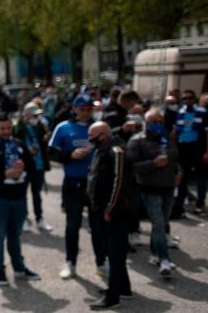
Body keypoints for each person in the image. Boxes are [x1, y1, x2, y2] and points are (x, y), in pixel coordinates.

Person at [0, 113, 42, 286]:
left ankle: (19, 268)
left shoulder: (19, 144)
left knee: (16, 235)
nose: (6, 131)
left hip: (19, 198)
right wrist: (4, 174)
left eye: (9, 128)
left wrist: (23, 169)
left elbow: (33, 167)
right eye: (2, 128)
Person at [49, 94, 106, 280]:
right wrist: (70, 155)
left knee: (97, 227)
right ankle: (70, 263)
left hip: (96, 184)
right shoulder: (63, 127)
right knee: (72, 226)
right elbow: (51, 152)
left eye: (89, 109)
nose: (85, 112)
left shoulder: (99, 127)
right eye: (82, 109)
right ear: (74, 109)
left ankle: (101, 263)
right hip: (73, 184)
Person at [86, 122, 133, 310]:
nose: (91, 141)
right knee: (114, 253)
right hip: (102, 210)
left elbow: (119, 183)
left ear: (104, 135)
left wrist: (110, 209)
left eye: (94, 137)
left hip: (114, 213)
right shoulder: (102, 149)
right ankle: (124, 288)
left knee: (115, 254)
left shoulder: (117, 152)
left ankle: (112, 297)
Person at [126, 109, 178, 275]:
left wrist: (179, 171)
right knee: (159, 223)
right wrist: (153, 164)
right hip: (149, 188)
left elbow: (175, 159)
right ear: (146, 123)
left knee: (161, 224)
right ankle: (164, 259)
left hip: (168, 187)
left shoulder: (168, 138)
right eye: (153, 122)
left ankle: (155, 254)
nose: (157, 125)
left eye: (160, 121)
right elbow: (131, 167)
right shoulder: (137, 140)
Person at [13, 102, 53, 232]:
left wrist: (45, 139)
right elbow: (15, 145)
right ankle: (23, 218)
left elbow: (43, 142)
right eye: (34, 115)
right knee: (22, 194)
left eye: (38, 115)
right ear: (26, 115)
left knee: (37, 193)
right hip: (24, 166)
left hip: (38, 165)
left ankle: (39, 219)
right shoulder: (18, 127)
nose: (37, 118)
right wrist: (25, 150)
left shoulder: (39, 126)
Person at [174, 90, 208, 216]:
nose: (187, 100)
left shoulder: (205, 113)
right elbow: (176, 131)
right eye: (184, 98)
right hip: (183, 148)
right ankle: (179, 204)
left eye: (190, 98)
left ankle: (200, 203)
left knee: (200, 177)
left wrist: (207, 152)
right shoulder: (180, 112)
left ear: (195, 99)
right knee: (182, 177)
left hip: (198, 148)